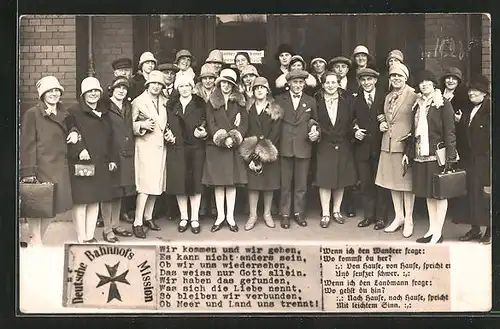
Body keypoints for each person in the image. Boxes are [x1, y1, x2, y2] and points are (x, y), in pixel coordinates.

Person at [404, 70, 457, 244]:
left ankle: (438, 232)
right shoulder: (418, 104)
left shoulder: (443, 103)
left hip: (437, 155)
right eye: (421, 82)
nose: (424, 84)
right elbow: (414, 131)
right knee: (428, 194)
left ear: (433, 84)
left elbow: (450, 132)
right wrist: (408, 152)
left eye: (428, 81)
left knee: (439, 194)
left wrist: (450, 157)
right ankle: (432, 229)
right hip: (421, 154)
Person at [20, 76, 73, 246]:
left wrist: (74, 131)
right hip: (41, 166)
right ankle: (36, 239)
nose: (54, 94)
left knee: (53, 208)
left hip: (59, 166)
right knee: (37, 206)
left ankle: (36, 238)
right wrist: (28, 171)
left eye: (57, 90)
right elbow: (27, 144)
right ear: (42, 94)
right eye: (50, 91)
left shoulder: (65, 113)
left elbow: (73, 126)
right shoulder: (33, 114)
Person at [66, 77, 116, 243]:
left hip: (101, 162)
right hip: (83, 163)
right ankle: (81, 237)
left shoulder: (104, 112)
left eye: (96, 91)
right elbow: (69, 134)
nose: (93, 94)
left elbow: (110, 138)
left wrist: (111, 159)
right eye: (89, 91)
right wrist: (80, 149)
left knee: (95, 200)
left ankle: (89, 235)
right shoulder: (74, 111)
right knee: (82, 201)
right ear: (83, 94)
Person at [202, 68, 248, 232]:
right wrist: (223, 139)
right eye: (223, 82)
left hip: (233, 148)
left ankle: (230, 217)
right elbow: (210, 122)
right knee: (219, 184)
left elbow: (244, 124)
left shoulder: (240, 102)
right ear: (219, 83)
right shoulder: (211, 101)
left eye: (229, 83)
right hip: (218, 147)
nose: (226, 86)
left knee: (231, 183)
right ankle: (220, 216)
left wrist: (235, 137)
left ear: (233, 85)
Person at [376, 63, 417, 238]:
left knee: (407, 185)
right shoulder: (388, 97)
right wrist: (382, 123)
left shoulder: (414, 95)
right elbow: (386, 116)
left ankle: (409, 219)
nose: (396, 79)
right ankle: (398, 216)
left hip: (404, 146)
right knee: (392, 183)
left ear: (405, 77)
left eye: (399, 76)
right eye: (393, 76)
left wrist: (411, 142)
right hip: (388, 144)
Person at [275, 69, 320, 229]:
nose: (298, 85)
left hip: (303, 145)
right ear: (289, 84)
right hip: (285, 146)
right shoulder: (280, 100)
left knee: (301, 184)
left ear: (304, 84)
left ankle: (299, 213)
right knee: (285, 184)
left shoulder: (310, 101)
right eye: (295, 82)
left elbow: (314, 121)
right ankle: (285, 214)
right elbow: (274, 124)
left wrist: (315, 131)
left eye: (301, 82)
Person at [314, 71, 357, 228]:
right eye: (327, 82)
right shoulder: (316, 101)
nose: (330, 85)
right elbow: (313, 120)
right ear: (323, 84)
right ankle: (325, 213)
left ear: (339, 83)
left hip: (343, 143)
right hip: (324, 143)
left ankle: (336, 211)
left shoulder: (347, 100)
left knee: (341, 179)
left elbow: (353, 120)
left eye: (333, 82)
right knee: (325, 179)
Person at [239, 77, 283, 230]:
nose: (259, 90)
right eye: (256, 88)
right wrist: (251, 154)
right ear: (252, 90)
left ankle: (267, 214)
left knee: (268, 184)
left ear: (267, 90)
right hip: (251, 152)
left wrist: (264, 150)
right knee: (253, 185)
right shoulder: (247, 108)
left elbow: (276, 132)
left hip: (269, 151)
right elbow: (244, 129)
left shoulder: (275, 109)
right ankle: (252, 215)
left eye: (262, 88)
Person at [165, 75, 208, 234]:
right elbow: (165, 125)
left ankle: (194, 218)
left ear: (192, 87)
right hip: (177, 148)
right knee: (180, 184)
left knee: (195, 184)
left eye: (187, 86)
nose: (184, 89)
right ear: (178, 88)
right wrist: (167, 135)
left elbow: (207, 123)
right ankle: (184, 217)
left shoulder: (200, 104)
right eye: (181, 86)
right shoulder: (171, 106)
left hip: (195, 149)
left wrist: (203, 133)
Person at [131, 70, 169, 238]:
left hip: (161, 147)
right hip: (145, 147)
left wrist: (169, 133)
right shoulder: (138, 102)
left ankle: (148, 217)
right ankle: (137, 221)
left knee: (156, 185)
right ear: (147, 84)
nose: (156, 86)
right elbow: (129, 125)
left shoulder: (165, 101)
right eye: (153, 83)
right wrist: (142, 125)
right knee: (144, 186)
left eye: (159, 84)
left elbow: (165, 124)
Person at [353, 68, 390, 230]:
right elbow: (349, 119)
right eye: (363, 80)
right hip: (362, 148)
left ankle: (381, 217)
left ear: (375, 80)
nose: (367, 83)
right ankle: (369, 216)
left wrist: (386, 118)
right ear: (360, 82)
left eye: (369, 79)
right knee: (366, 183)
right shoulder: (354, 98)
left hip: (380, 146)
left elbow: (394, 116)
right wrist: (354, 131)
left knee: (381, 184)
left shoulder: (384, 96)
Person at [99, 76, 135, 243]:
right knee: (108, 192)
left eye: (124, 88)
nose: (121, 91)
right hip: (111, 154)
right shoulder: (105, 108)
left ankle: (115, 224)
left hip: (126, 154)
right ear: (112, 90)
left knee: (120, 191)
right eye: (118, 88)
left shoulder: (128, 106)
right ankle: (107, 229)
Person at [456, 74, 491, 244]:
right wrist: (460, 120)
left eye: (476, 90)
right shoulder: (470, 109)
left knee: (486, 195)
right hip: (471, 160)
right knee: (473, 195)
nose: (472, 93)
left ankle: (490, 231)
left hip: (485, 160)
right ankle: (475, 229)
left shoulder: (490, 109)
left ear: (485, 93)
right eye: (470, 90)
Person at [440, 67, 471, 224]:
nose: (450, 80)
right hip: (440, 139)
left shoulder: (463, 97)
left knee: (455, 174)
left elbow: (468, 117)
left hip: (457, 141)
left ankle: (456, 212)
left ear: (458, 81)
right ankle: (442, 210)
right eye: (448, 78)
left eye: (454, 78)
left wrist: (461, 119)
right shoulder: (438, 94)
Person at [328, 56, 358, 217]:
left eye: (343, 67)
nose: (340, 69)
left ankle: (349, 205)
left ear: (347, 69)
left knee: (347, 172)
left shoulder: (354, 85)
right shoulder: (328, 87)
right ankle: (330, 208)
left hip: (349, 133)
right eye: (337, 67)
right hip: (333, 135)